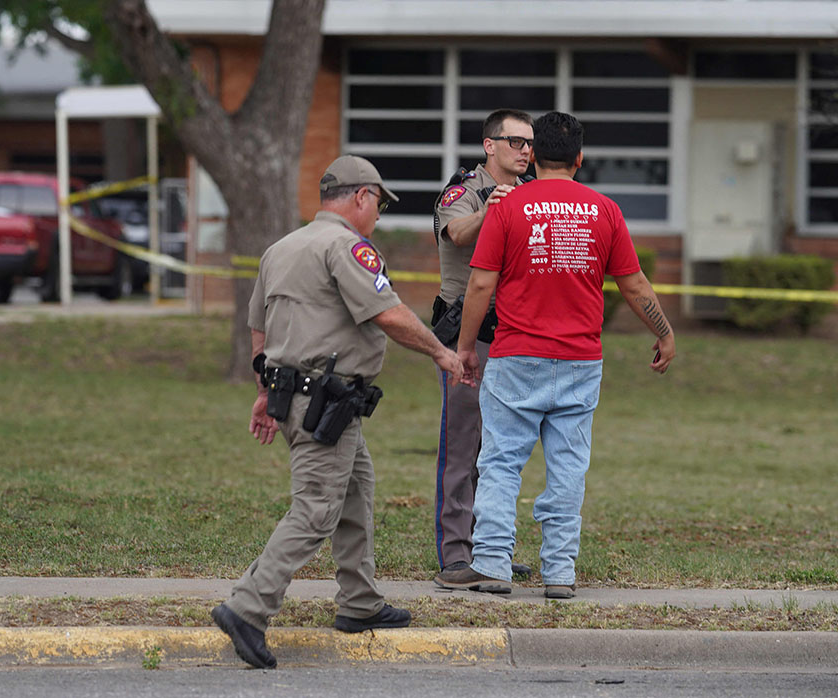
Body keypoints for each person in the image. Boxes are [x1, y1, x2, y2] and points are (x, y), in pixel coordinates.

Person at [212, 155, 472, 670]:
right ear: (360, 197)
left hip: (299, 397)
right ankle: (248, 606)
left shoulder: (282, 247)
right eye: (378, 203)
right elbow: (388, 313)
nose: (377, 214)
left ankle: (359, 601)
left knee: (357, 487)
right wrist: (443, 353)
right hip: (324, 400)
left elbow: (260, 329)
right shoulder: (346, 246)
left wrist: (266, 391)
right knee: (315, 509)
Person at [435, 112, 677, 599]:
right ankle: (560, 574)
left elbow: (481, 282)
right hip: (580, 360)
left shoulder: (507, 206)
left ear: (534, 155)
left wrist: (464, 348)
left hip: (514, 355)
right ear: (580, 158)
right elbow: (633, 284)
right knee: (568, 468)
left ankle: (493, 563)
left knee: (501, 464)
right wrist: (664, 332)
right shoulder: (604, 210)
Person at [430, 108, 535, 580]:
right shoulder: (463, 192)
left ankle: (491, 548)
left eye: (530, 144)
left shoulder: (531, 193)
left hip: (513, 335)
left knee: (500, 450)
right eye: (516, 142)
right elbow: (455, 231)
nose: (525, 151)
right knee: (462, 445)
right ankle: (456, 554)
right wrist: (492, 206)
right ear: (489, 145)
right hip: (465, 337)